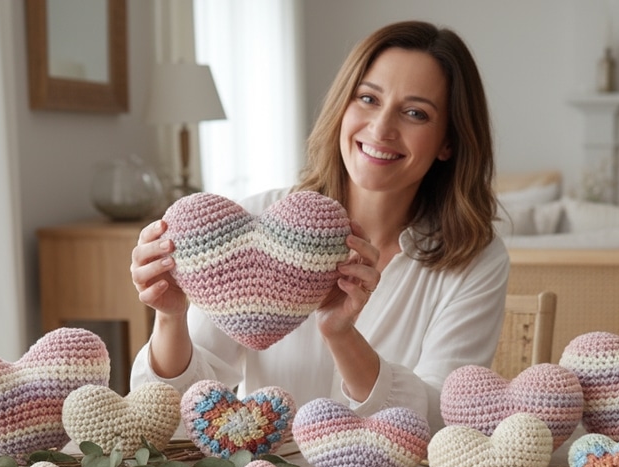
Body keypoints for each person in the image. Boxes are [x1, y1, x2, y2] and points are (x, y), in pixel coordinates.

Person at [129, 20, 508, 432]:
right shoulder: (249, 227)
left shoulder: (475, 259)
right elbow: (171, 416)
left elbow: (443, 420)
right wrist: (171, 317)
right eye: (368, 99)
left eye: (415, 113)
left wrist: (341, 334)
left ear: (448, 141)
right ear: (343, 107)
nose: (381, 128)